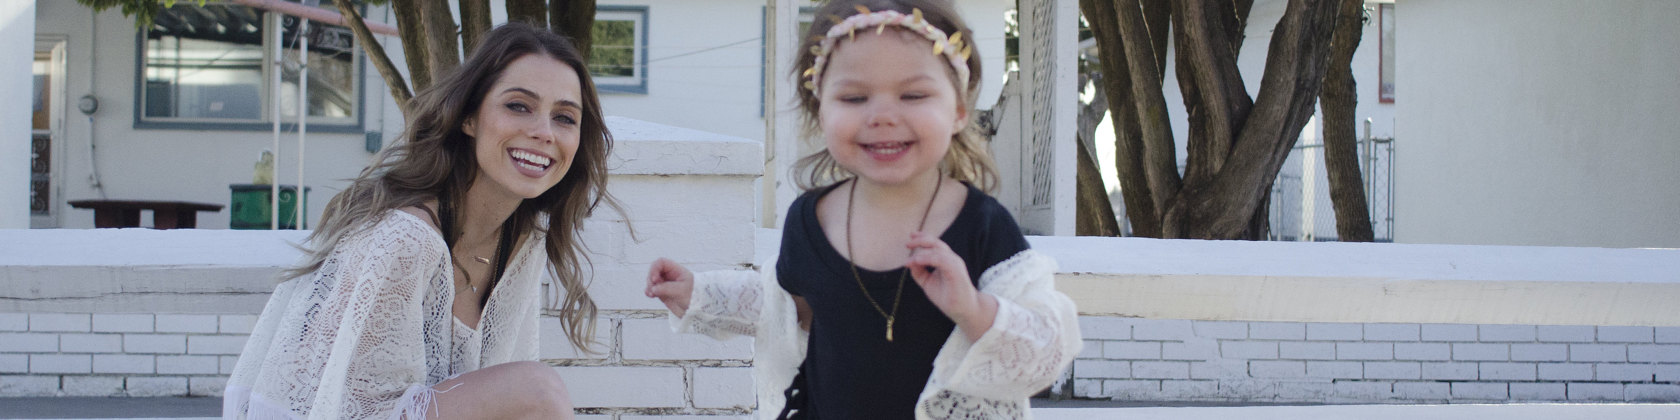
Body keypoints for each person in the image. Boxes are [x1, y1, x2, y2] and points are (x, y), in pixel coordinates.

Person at [644, 1, 1081, 418]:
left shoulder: (983, 225)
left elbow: (1045, 350)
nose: (882, 115)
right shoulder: (809, 220)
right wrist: (701, 294)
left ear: (959, 111)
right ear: (821, 110)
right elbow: (787, 309)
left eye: (913, 95)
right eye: (854, 98)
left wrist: (972, 308)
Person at [224, 23, 614, 420]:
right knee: (538, 389)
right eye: (518, 106)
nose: (544, 132)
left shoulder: (522, 242)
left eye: (565, 117)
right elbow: (350, 411)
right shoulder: (405, 238)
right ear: (469, 118)